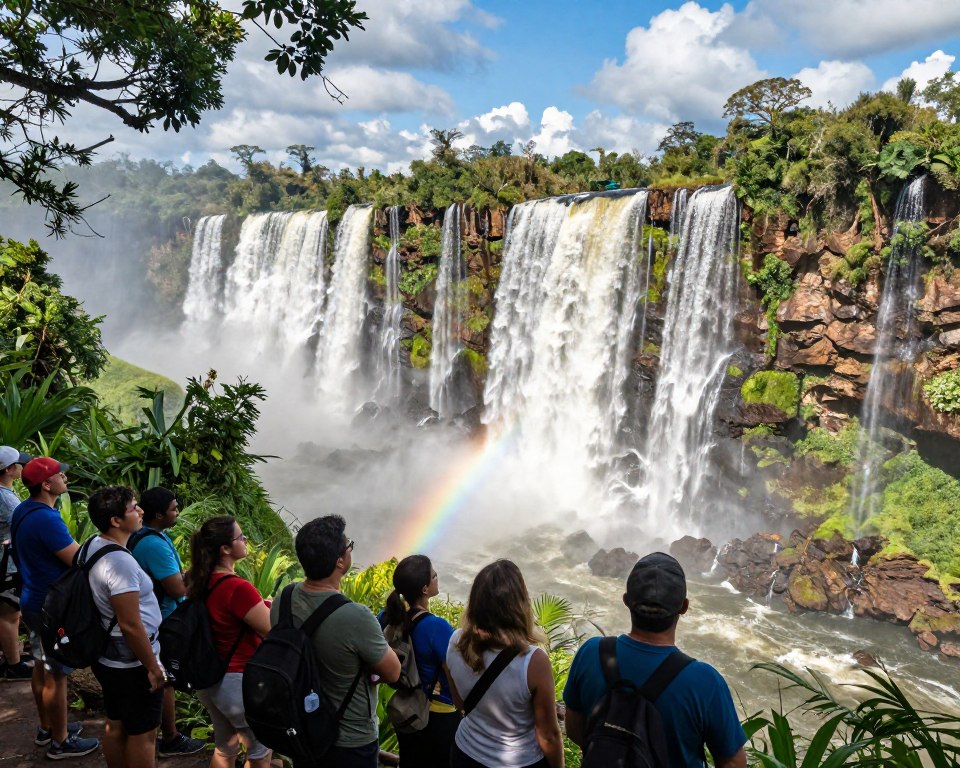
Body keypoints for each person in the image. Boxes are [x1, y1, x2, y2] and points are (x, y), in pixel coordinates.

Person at [563, 552, 747, 768]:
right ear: (684, 607)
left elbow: (575, 729)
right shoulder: (705, 682)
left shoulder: (590, 652)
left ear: (626, 601)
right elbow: (733, 763)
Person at [273, 515, 400, 768]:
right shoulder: (356, 616)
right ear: (340, 561)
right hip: (349, 739)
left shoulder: (283, 599)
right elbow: (394, 672)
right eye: (349, 546)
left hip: (302, 727)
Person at [10, 456, 99, 759]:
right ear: (46, 484)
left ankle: (48, 727)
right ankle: (61, 742)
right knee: (56, 672)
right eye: (60, 475)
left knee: (41, 664)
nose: (65, 479)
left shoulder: (24, 509)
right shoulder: (46, 519)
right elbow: (77, 559)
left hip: (33, 598)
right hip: (52, 606)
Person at [445, 559, 564, 768]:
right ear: (520, 605)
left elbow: (460, 703)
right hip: (519, 762)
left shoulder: (456, 641)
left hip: (465, 753)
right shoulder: (533, 660)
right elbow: (549, 736)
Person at [85, 486, 166, 768]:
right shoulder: (120, 563)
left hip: (106, 654)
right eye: (133, 507)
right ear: (116, 521)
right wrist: (153, 667)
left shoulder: (92, 545)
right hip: (130, 660)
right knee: (144, 735)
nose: (140, 511)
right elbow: (131, 624)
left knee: (116, 722)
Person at [188, 516, 272, 768]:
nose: (245, 540)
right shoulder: (237, 587)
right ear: (225, 549)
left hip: (210, 680)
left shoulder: (196, 579)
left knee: (226, 746)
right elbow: (271, 630)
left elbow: (224, 616)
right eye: (240, 537)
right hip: (237, 682)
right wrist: (271, 606)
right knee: (260, 749)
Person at [127, 486, 205, 757]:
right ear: (159, 515)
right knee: (166, 679)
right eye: (173, 508)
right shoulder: (154, 544)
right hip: (163, 620)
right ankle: (170, 739)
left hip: (150, 616)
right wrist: (204, 567)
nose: (177, 512)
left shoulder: (143, 536)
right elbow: (177, 589)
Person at [380, 555, 461, 768]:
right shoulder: (437, 627)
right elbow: (454, 673)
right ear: (425, 589)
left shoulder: (387, 616)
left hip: (405, 710)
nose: (437, 578)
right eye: (434, 575)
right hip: (437, 715)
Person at [0, 445, 32, 679]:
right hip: (6, 565)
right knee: (9, 614)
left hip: (6, 561)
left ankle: (11, 656)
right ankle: (13, 664)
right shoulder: (5, 498)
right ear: (10, 469)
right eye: (19, 463)